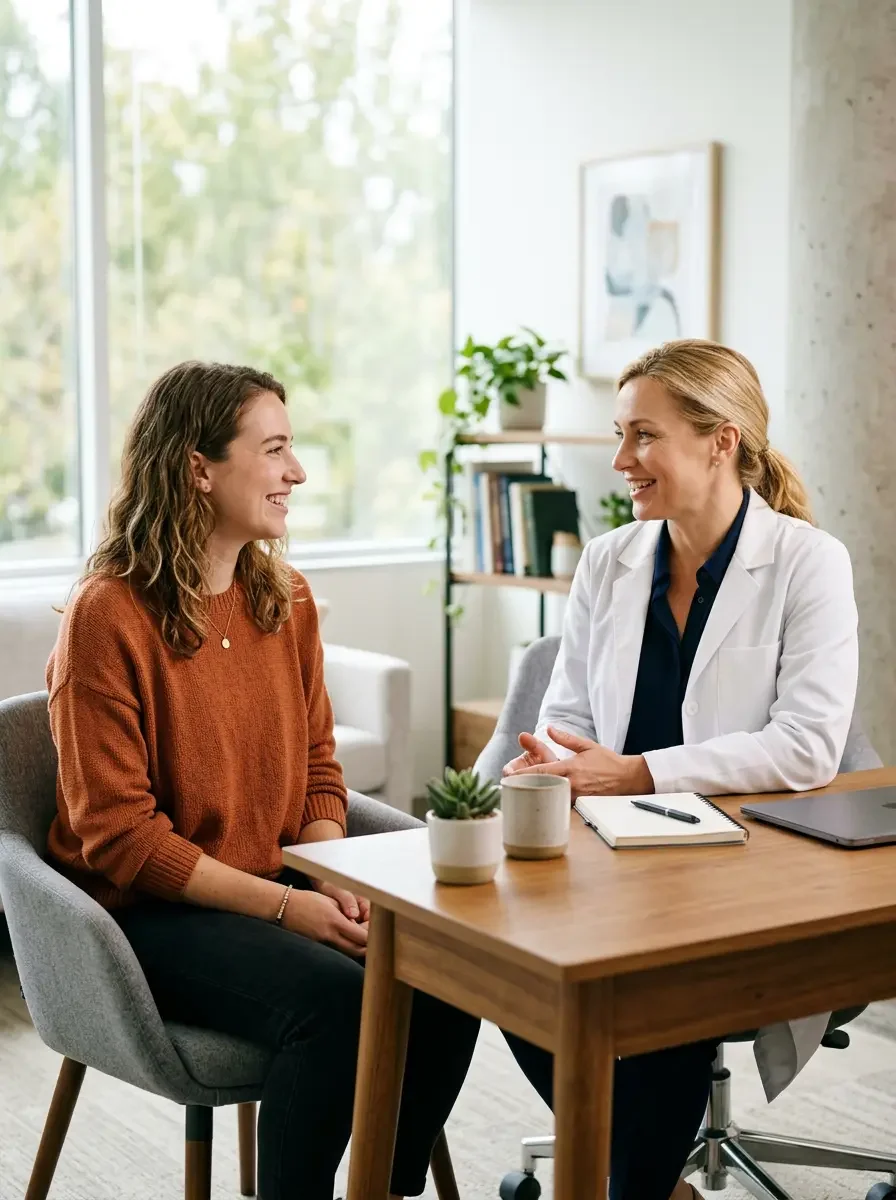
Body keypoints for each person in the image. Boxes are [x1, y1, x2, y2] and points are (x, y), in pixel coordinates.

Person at [46, 361, 480, 1200]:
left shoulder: (286, 597)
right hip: (144, 915)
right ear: (197, 468)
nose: (298, 472)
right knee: (339, 1003)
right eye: (274, 449)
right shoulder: (110, 614)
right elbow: (121, 838)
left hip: (276, 884)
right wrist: (291, 908)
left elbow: (320, 771)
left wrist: (331, 879)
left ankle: (382, 1191)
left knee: (448, 973)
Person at [501, 338, 859, 1200]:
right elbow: (569, 715)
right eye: (621, 435)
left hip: (741, 871)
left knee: (649, 1000)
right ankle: (653, 1187)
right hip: (608, 853)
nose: (622, 460)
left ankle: (634, 1186)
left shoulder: (808, 562)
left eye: (643, 436)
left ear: (720, 441)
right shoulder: (609, 558)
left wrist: (639, 773)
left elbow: (807, 743)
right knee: (504, 968)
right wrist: (558, 755)